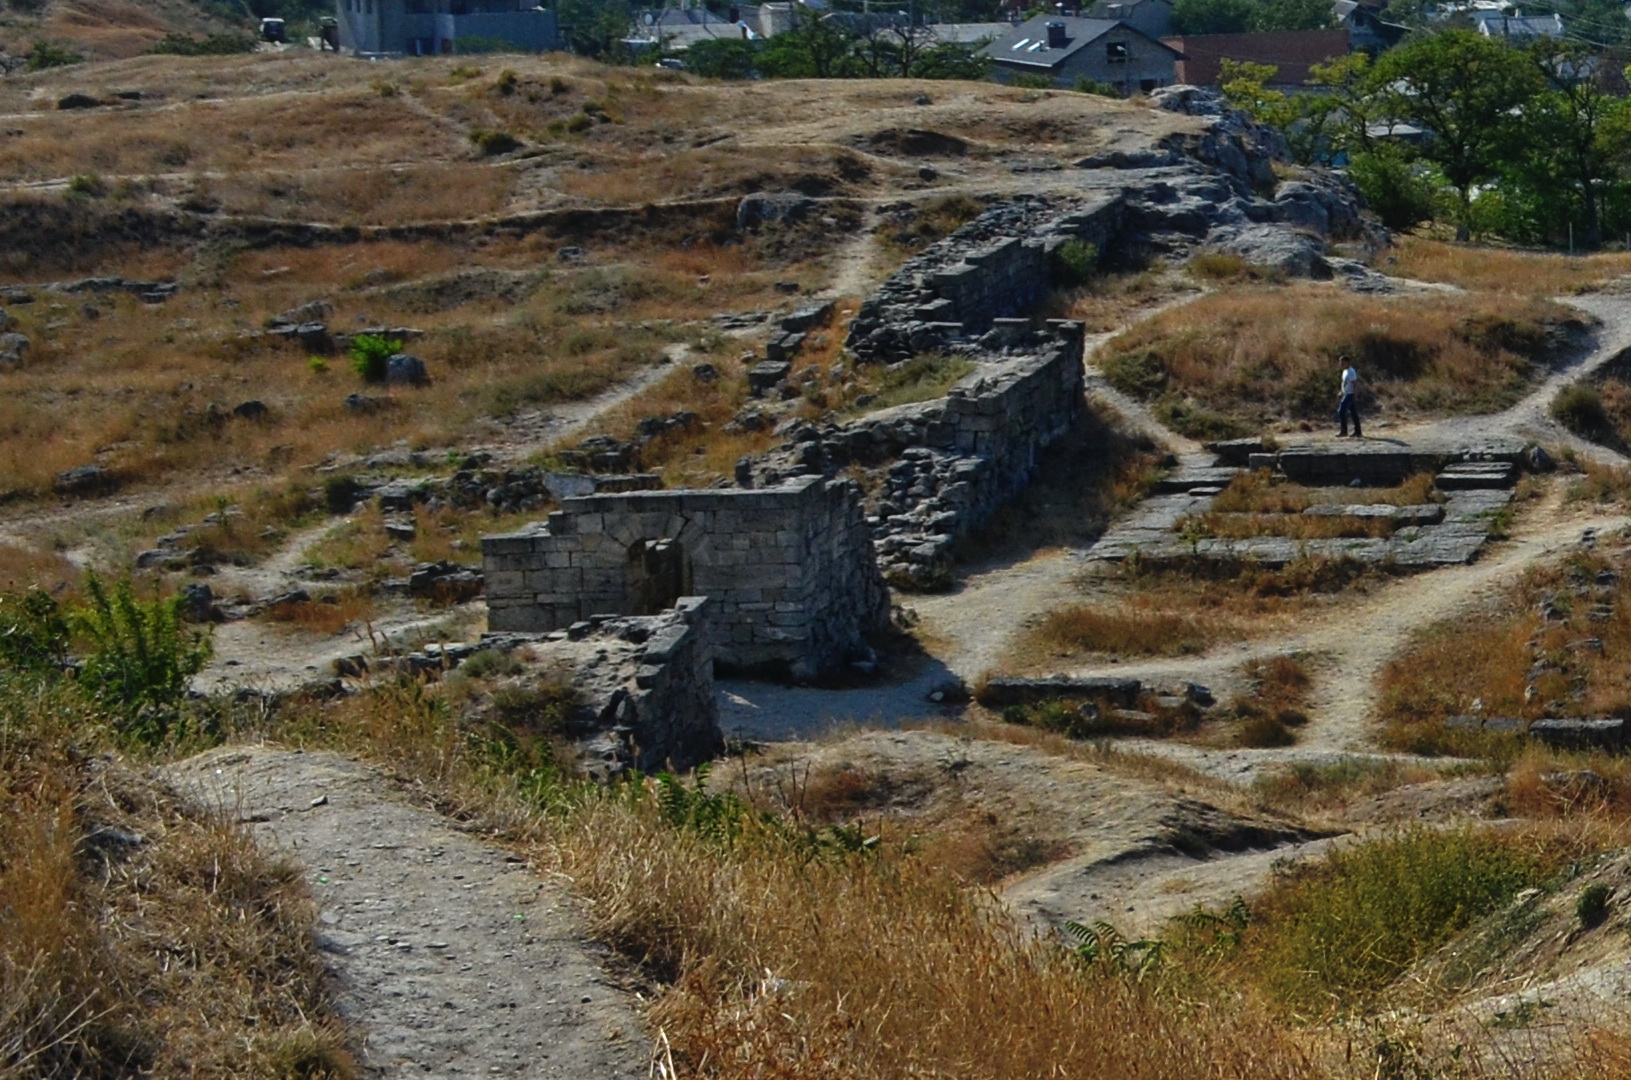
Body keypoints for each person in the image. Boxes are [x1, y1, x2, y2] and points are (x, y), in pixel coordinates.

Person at [1336, 356, 1362, 439]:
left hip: (1350, 394)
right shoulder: (1345, 371)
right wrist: (1342, 391)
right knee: (1353, 413)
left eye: (1343, 362)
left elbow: (1355, 384)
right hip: (1346, 393)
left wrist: (1355, 395)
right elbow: (1345, 383)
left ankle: (1344, 431)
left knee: (1341, 411)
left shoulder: (1351, 371)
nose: (1341, 364)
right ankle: (1358, 432)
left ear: (1348, 362)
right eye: (1340, 362)